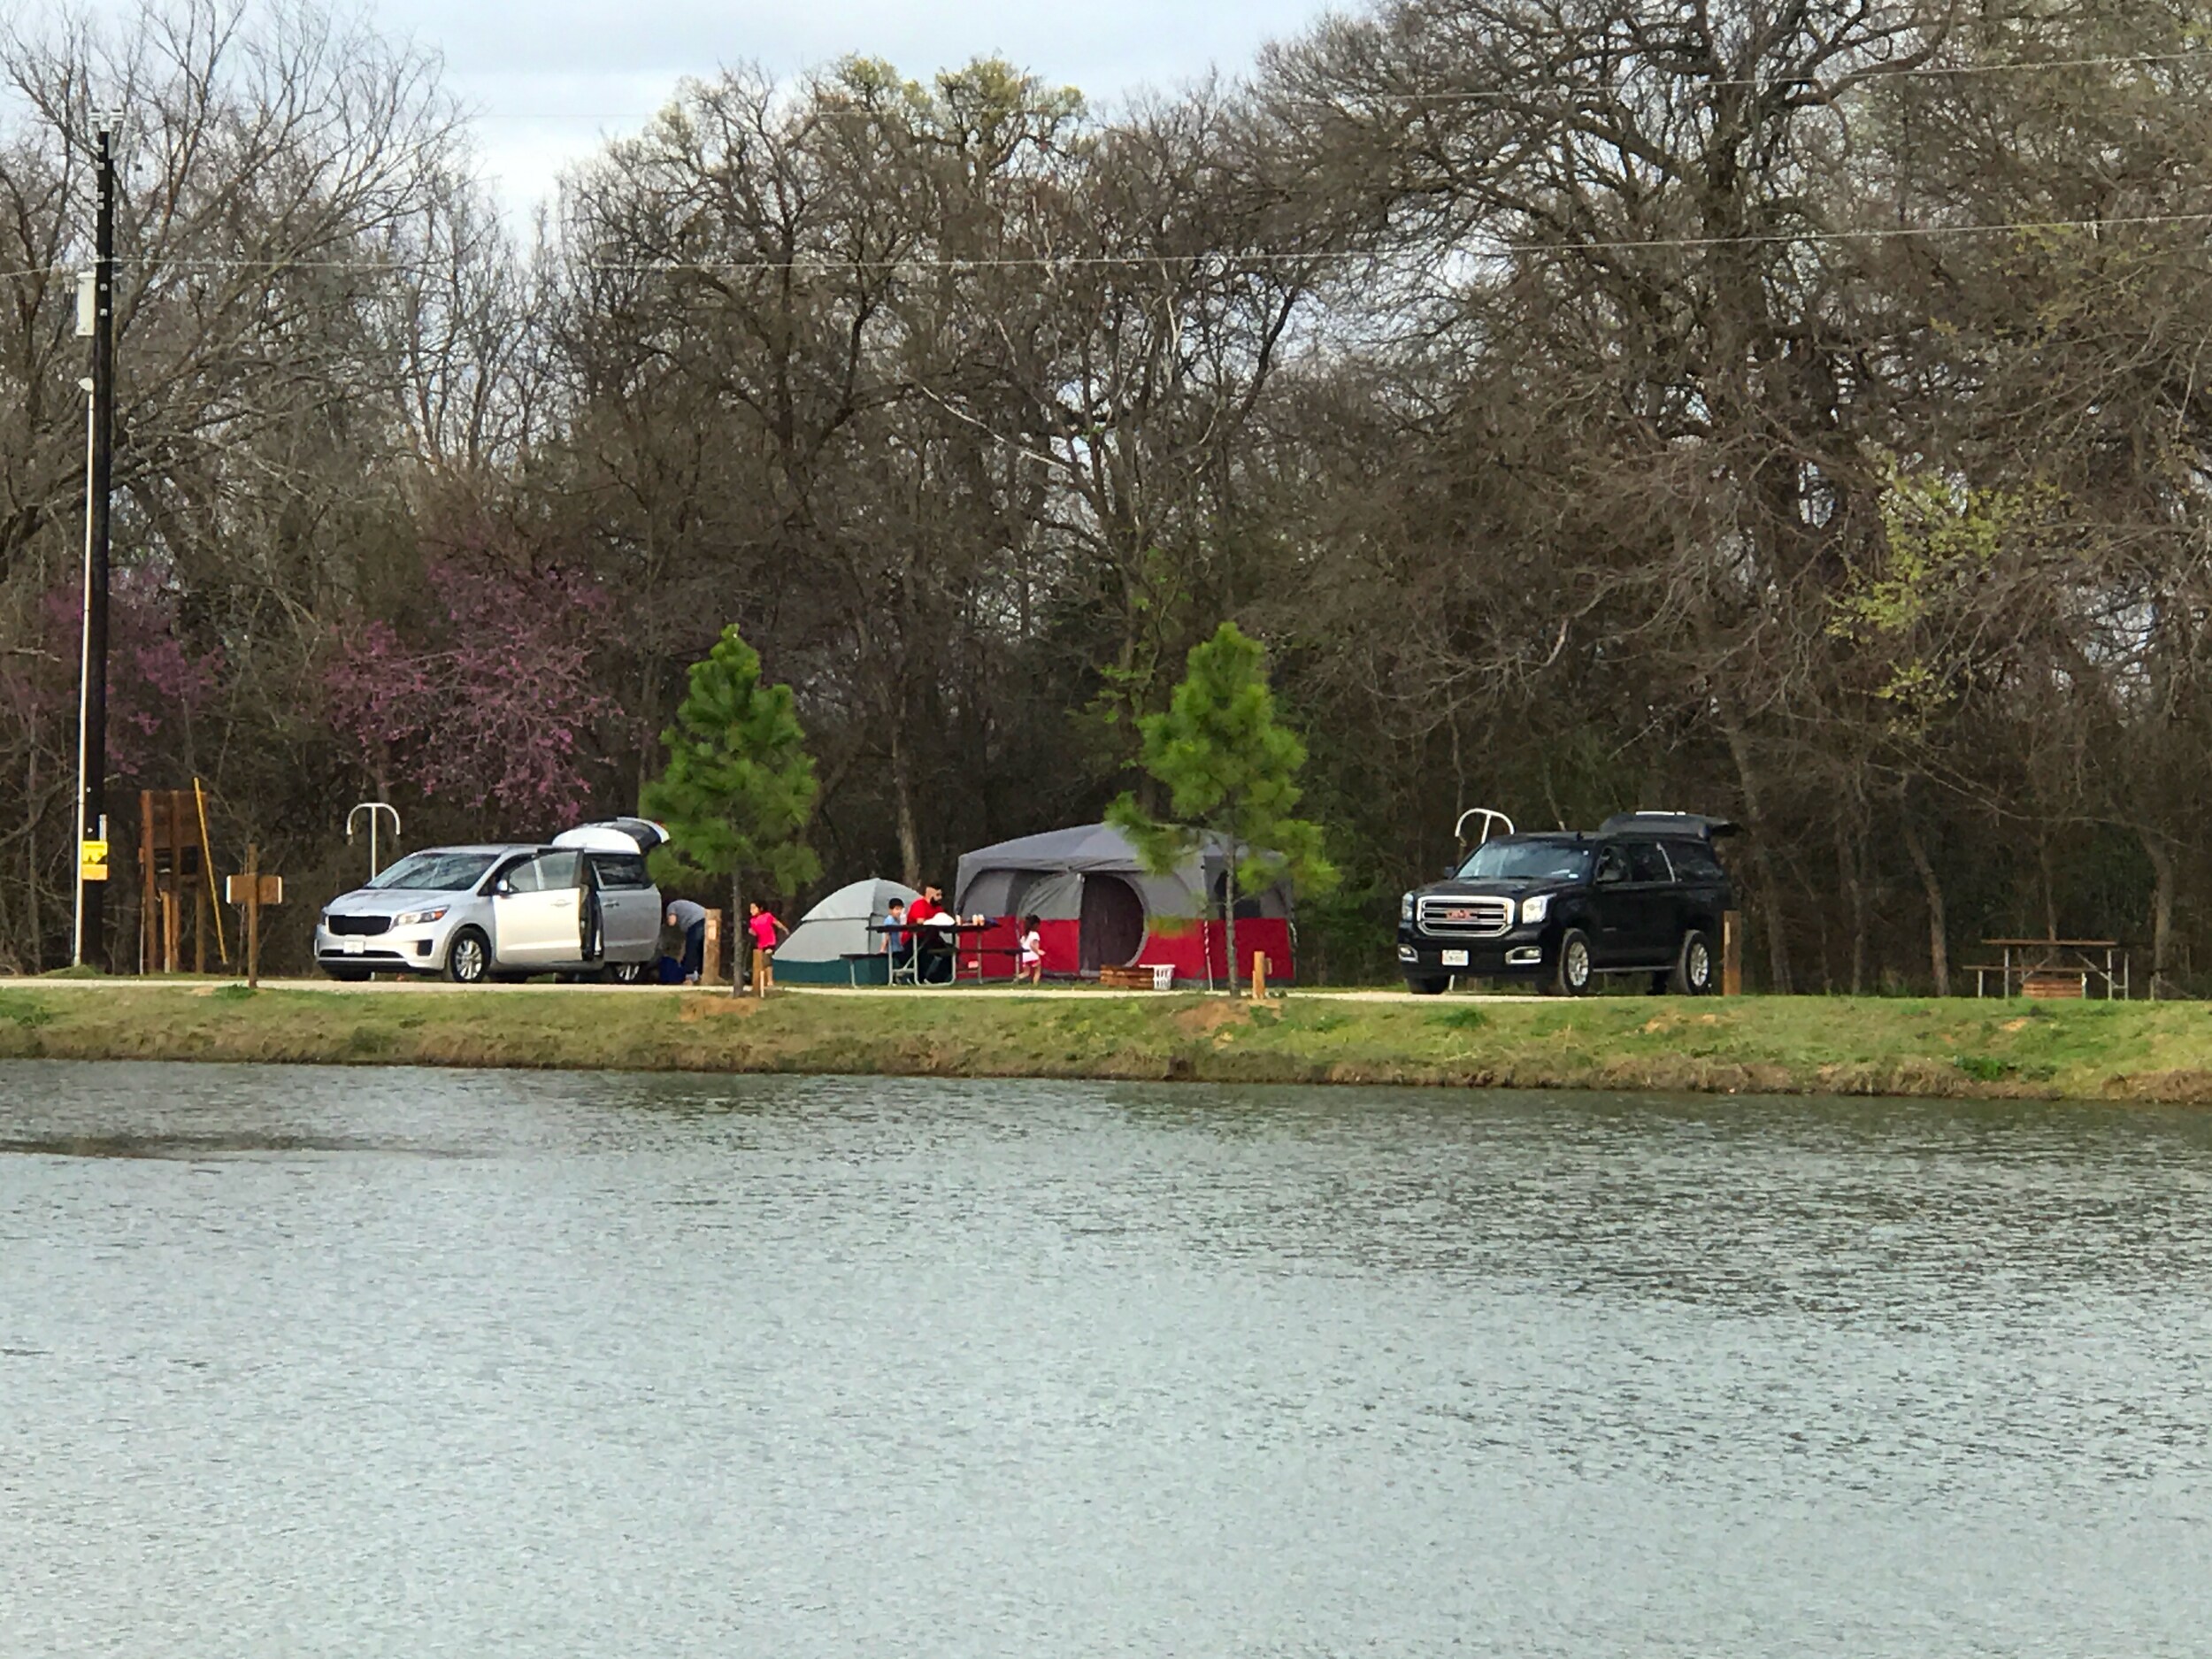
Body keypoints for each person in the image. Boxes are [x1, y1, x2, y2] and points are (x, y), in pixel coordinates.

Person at [907, 883, 955, 985]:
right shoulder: (918, 904)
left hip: (932, 939)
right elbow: (920, 922)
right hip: (915, 939)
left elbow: (944, 920)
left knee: (951, 951)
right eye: (937, 895)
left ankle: (935, 979)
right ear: (930, 895)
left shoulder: (938, 908)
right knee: (925, 952)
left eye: (941, 895)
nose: (940, 898)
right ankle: (916, 978)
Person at [663, 898, 708, 985]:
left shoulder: (671, 906)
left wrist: (667, 922)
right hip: (707, 917)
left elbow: (672, 922)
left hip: (696, 921)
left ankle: (690, 977)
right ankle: (701, 973)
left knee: (692, 949)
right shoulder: (681, 904)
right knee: (701, 949)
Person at [746, 901, 787, 993]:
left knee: (767, 959)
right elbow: (755, 933)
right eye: (750, 909)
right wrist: (751, 932)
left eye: (753, 908)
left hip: (770, 942)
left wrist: (784, 929)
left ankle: (770, 981)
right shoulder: (752, 921)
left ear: (760, 909)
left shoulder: (767, 916)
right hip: (761, 944)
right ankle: (761, 981)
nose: (751, 911)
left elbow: (776, 922)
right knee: (761, 961)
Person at [882, 896, 913, 976]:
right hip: (892, 949)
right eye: (896, 909)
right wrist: (883, 949)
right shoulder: (889, 920)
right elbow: (886, 935)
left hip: (899, 948)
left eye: (900, 909)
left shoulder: (899, 920)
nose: (899, 912)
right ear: (890, 910)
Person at [1018, 912, 1044, 986]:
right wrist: (1038, 952)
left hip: (1025, 956)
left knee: (1026, 973)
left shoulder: (1025, 936)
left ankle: (1016, 979)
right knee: (1037, 971)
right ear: (1036, 925)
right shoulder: (1035, 934)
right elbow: (1032, 945)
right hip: (1033, 955)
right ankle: (1035, 984)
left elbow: (1022, 943)